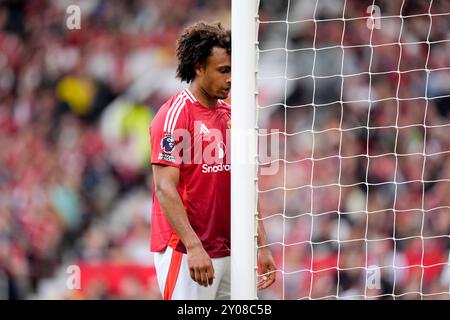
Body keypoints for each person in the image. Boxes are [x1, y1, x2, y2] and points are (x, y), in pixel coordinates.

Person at [149, 21, 276, 300]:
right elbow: (165, 188)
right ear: (198, 67)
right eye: (223, 71)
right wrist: (193, 246)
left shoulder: (232, 116)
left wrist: (261, 244)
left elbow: (246, 185)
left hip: (232, 252)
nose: (231, 79)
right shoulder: (175, 115)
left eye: (233, 70)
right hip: (188, 253)